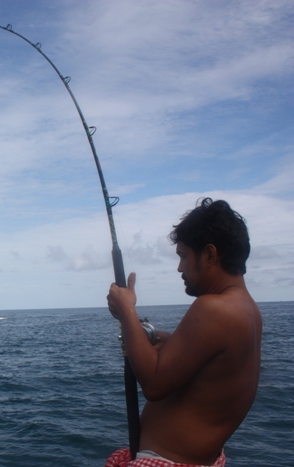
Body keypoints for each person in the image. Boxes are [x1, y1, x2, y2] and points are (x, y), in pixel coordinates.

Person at [105, 198, 262, 467]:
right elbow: (206, 363)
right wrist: (161, 340)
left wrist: (127, 312)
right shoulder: (248, 310)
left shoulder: (214, 309)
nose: (179, 268)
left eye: (183, 256)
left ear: (210, 255)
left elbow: (154, 384)